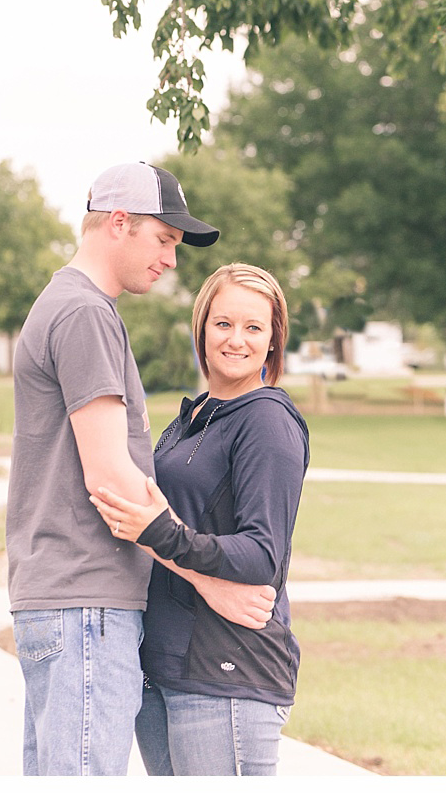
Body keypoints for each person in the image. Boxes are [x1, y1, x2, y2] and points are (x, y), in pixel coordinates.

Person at [7, 162, 276, 776]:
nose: (171, 260)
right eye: (164, 240)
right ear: (119, 223)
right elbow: (112, 479)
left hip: (67, 600)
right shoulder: (85, 315)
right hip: (86, 603)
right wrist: (209, 582)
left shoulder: (67, 305)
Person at [91, 262, 311, 777]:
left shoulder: (267, 420)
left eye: (254, 327)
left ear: (274, 341)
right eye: (223, 323)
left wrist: (163, 535)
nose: (237, 340)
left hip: (227, 672)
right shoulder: (193, 417)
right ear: (202, 329)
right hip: (165, 670)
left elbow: (263, 557)